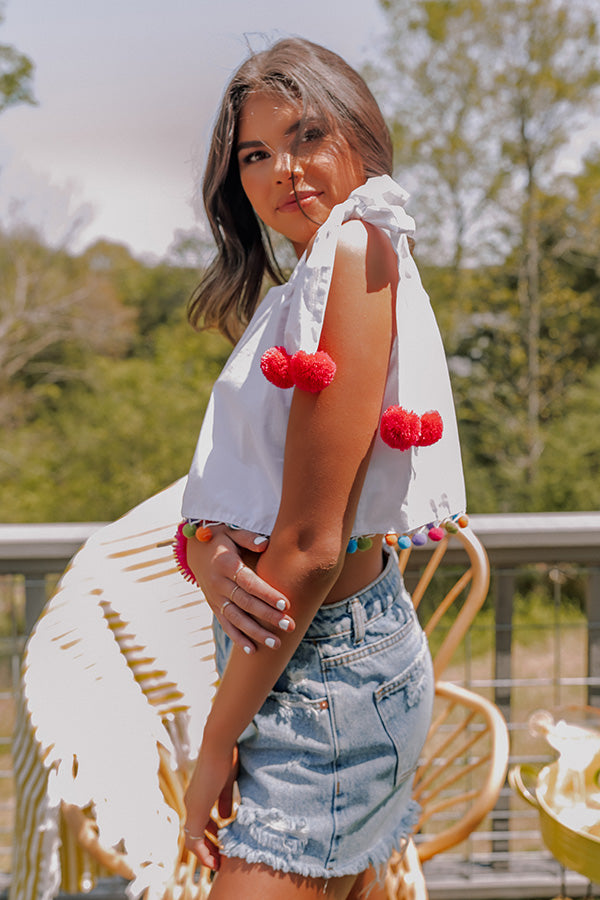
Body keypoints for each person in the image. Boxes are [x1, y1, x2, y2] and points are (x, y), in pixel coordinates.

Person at [178, 37, 466, 900]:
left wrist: (214, 746)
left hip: (325, 680)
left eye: (306, 136)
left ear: (359, 134)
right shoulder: (316, 272)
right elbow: (258, 500)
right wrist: (204, 550)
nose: (282, 171)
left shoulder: (354, 253)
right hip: (306, 660)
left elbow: (309, 544)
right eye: (255, 155)